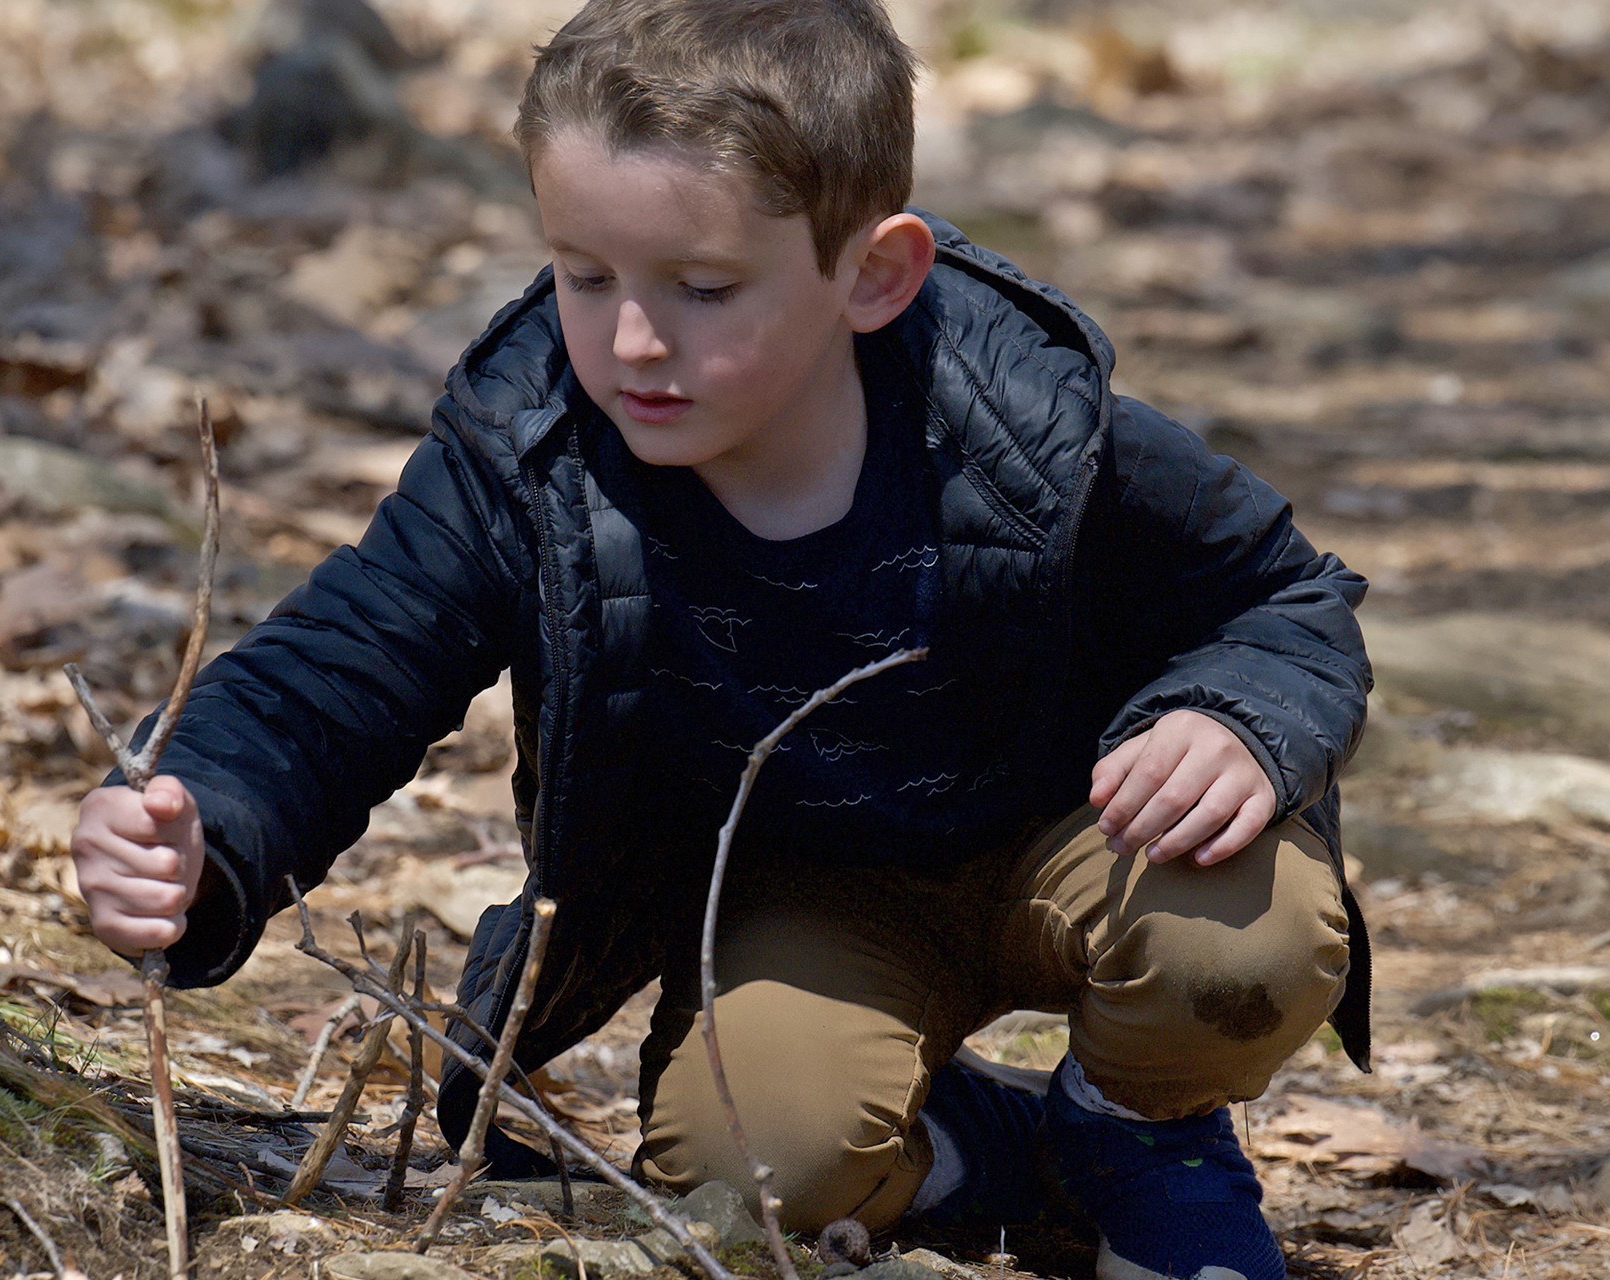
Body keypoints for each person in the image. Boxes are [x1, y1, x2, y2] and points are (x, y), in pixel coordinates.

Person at [70, 2, 1371, 1276]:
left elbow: (1284, 599)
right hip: (802, 895)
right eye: (584, 277)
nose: (632, 340)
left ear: (874, 273)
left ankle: (1144, 1134)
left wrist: (1234, 717)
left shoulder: (1026, 417)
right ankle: (1005, 1148)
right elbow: (341, 665)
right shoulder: (532, 453)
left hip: (1081, 826)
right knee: (759, 1174)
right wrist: (206, 811)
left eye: (702, 289)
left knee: (1241, 944)